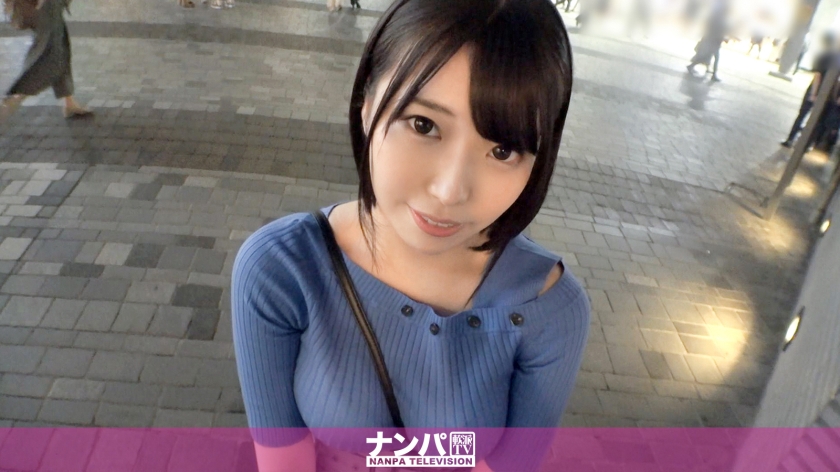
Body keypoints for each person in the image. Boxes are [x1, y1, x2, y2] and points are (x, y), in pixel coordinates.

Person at [232, 1, 590, 471]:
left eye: (503, 150)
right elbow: (283, 460)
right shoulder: (281, 270)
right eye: (424, 125)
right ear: (366, 105)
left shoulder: (549, 310)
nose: (450, 191)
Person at [0, 0, 91, 123]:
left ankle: (69, 103)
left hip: (47, 5)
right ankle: (16, 96)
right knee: (49, 55)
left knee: (60, 46)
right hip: (45, 5)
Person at [781, 31, 838, 148]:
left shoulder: (823, 56)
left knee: (802, 115)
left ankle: (790, 139)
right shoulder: (837, 59)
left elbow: (817, 76)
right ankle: (808, 144)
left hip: (815, 90)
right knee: (817, 120)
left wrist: (813, 93)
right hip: (828, 94)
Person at [686, 0, 729, 82]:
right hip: (713, 42)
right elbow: (717, 31)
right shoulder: (719, 18)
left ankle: (693, 66)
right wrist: (723, 38)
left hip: (714, 42)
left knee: (707, 56)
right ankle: (713, 74)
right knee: (712, 57)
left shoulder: (718, 17)